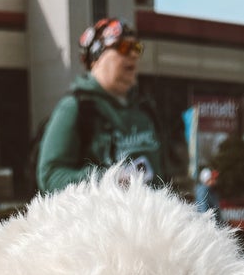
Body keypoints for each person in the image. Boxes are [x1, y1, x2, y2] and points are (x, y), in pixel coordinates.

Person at [36, 19, 167, 193]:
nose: (134, 55)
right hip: (103, 218)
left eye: (137, 48)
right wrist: (109, 179)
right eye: (123, 47)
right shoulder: (75, 108)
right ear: (96, 57)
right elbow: (50, 176)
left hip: (153, 216)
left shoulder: (145, 109)